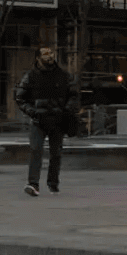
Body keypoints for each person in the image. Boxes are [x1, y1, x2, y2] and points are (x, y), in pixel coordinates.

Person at [13, 45, 77, 198]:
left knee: (56, 153)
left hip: (57, 119)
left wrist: (66, 110)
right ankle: (33, 183)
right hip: (38, 120)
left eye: (52, 53)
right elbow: (20, 98)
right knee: (36, 151)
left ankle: (53, 184)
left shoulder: (63, 76)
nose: (50, 56)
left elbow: (74, 95)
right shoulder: (30, 76)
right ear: (38, 58)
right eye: (46, 54)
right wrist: (32, 111)